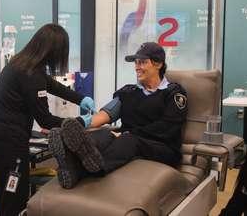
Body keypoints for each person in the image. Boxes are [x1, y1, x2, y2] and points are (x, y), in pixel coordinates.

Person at [0, 23, 95, 216]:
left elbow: (53, 86)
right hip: (9, 147)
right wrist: (81, 123)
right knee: (14, 199)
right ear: (54, 52)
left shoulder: (22, 64)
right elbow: (46, 121)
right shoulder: (31, 75)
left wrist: (80, 98)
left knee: (2, 196)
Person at [49, 42, 188, 189]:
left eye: (142, 62)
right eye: (136, 62)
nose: (137, 67)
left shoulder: (174, 93)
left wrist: (128, 133)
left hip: (163, 148)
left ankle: (89, 169)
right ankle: (70, 163)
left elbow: (167, 128)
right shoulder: (128, 92)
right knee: (104, 134)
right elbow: (104, 115)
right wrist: (72, 124)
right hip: (129, 140)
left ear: (158, 64)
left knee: (128, 139)